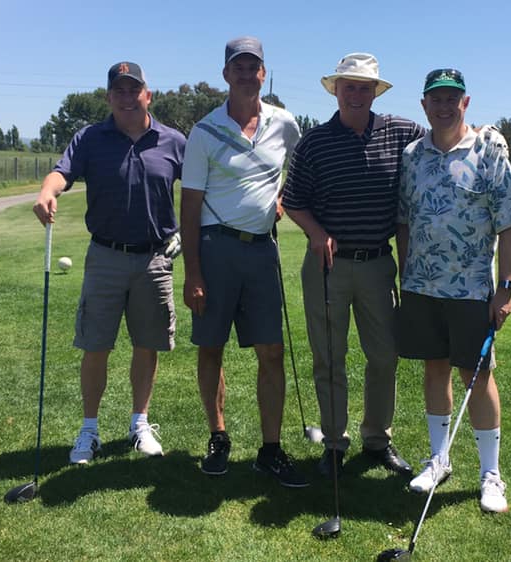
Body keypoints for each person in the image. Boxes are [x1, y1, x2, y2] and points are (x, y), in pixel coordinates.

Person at [32, 61, 185, 464]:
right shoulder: (90, 138)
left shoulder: (173, 141)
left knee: (147, 344)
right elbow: (61, 173)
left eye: (134, 89)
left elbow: (200, 189)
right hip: (105, 257)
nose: (127, 97)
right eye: (119, 90)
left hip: (154, 259)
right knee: (96, 345)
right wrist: (47, 192)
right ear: (109, 97)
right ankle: (89, 430)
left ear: (148, 95)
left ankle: (140, 423)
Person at [282, 53, 426, 479]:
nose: (357, 94)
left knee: (384, 356)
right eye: (350, 87)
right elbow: (293, 200)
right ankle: (334, 443)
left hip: (378, 263)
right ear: (336, 90)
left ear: (375, 92)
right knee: (329, 358)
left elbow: (442, 137)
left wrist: (480, 133)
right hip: (327, 264)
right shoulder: (315, 142)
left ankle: (377, 439)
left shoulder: (402, 132)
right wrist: (315, 232)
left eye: (365, 87)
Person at [180, 36, 308, 488]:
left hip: (261, 250)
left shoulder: (283, 123)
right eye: (238, 66)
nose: (246, 74)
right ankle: (218, 437)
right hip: (215, 249)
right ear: (226, 74)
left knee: (271, 350)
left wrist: (282, 197)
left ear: (263, 73)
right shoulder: (205, 131)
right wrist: (192, 273)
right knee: (210, 346)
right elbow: (189, 206)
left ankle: (270, 450)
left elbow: (302, 168)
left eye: (253, 66)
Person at [397, 68, 511, 513]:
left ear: (465, 103)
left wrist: (505, 288)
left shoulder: (488, 150)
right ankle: (439, 459)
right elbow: (404, 219)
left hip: (472, 289)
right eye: (436, 99)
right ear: (424, 105)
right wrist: (406, 274)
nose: (444, 106)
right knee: (434, 369)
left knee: (476, 376)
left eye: (452, 99)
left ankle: (491, 474)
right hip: (422, 287)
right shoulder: (413, 155)